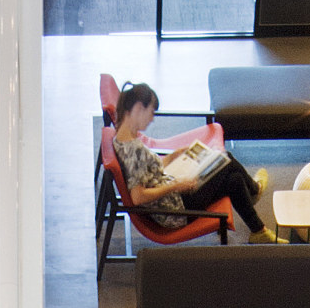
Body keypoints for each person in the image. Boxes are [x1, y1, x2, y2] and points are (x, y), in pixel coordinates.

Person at [112, 82, 270, 240]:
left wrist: (173, 156)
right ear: (139, 108)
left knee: (234, 180)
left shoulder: (121, 138)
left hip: (173, 197)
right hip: (176, 209)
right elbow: (138, 197)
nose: (152, 119)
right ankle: (254, 191)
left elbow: (148, 173)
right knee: (225, 159)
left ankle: (258, 230)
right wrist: (176, 185)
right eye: (152, 112)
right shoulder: (134, 150)